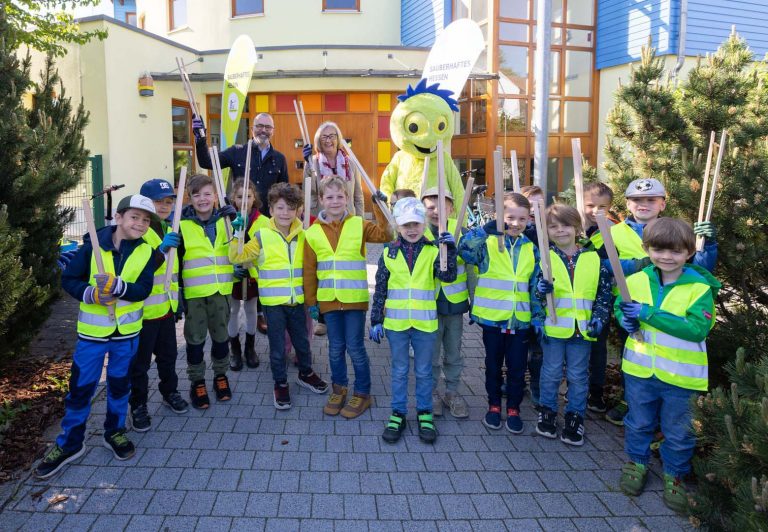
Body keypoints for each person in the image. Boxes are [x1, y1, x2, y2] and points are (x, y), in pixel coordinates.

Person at [36, 195, 158, 478]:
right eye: (135, 217)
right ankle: (70, 443)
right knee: (81, 388)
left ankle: (114, 432)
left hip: (126, 335)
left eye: (146, 220)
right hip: (92, 336)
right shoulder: (93, 245)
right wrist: (91, 294)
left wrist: (118, 286)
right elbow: (69, 280)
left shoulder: (147, 252)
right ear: (119, 217)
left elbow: (143, 289)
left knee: (120, 385)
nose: (140, 224)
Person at [587, 178, 718, 425]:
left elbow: (700, 269)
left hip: (670, 304)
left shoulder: (676, 231)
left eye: (651, 199)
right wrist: (637, 265)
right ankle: (630, 399)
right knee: (634, 353)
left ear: (662, 204)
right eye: (637, 200)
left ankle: (664, 405)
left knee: (669, 352)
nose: (643, 204)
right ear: (627, 203)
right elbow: (597, 264)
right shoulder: (610, 232)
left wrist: (708, 245)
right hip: (631, 303)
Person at [615, 217, 720, 513]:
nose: (666, 257)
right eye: (659, 250)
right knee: (638, 422)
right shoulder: (635, 280)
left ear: (689, 252)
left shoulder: (699, 287)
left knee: (679, 431)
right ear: (647, 249)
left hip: (681, 377)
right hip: (639, 371)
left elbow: (697, 329)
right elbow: (621, 308)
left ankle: (675, 475)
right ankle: (637, 463)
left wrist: (648, 313)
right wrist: (625, 320)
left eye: (675, 251)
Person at [229, 183, 328, 410]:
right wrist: (237, 234)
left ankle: (305, 373)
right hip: (273, 305)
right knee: (277, 347)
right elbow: (237, 257)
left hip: (298, 302)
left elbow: (314, 265)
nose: (285, 213)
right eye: (280, 208)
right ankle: (280, 382)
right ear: (271, 209)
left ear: (299, 210)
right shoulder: (262, 236)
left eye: (291, 208)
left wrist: (315, 299)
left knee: (302, 342)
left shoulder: (305, 235)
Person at [370, 197, 457, 444]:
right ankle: (398, 413)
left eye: (416, 224)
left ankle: (424, 413)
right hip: (396, 325)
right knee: (399, 371)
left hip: (425, 324)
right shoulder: (388, 252)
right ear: (397, 226)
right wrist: (376, 319)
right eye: (406, 224)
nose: (411, 229)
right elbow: (380, 288)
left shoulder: (433, 250)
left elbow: (448, 277)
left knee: (424, 371)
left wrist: (450, 251)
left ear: (424, 224)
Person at [304, 176, 392, 418]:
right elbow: (309, 270)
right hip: (329, 301)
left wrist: (379, 207)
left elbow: (386, 235)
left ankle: (362, 393)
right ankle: (339, 389)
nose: (335, 201)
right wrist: (311, 302)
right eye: (329, 197)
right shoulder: (312, 233)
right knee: (335, 348)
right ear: (321, 199)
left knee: (355, 347)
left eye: (340, 196)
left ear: (347, 199)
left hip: (354, 301)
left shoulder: (359, 224)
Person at [459, 192, 543, 434]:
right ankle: (494, 406)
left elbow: (534, 286)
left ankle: (514, 408)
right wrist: (484, 231)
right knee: (493, 365)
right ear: (498, 216)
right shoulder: (487, 244)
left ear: (529, 219)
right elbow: (464, 251)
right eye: (510, 218)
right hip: (492, 319)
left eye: (522, 219)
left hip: (520, 321)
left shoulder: (531, 248)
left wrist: (538, 316)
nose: (516, 223)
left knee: (517, 368)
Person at [534, 204, 612, 446]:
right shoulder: (544, 258)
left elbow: (603, 295)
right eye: (553, 226)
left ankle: (575, 416)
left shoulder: (593, 258)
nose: (560, 230)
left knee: (578, 375)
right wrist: (540, 291)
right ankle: (547, 410)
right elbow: (535, 295)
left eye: (566, 225)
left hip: (583, 330)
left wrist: (599, 318)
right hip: (554, 329)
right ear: (546, 231)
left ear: (577, 228)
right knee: (551, 372)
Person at [128, 180, 189, 433]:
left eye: (168, 201)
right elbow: (138, 271)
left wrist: (178, 302)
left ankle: (169, 392)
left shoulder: (168, 227)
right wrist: (161, 251)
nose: (164, 206)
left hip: (165, 309)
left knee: (168, 357)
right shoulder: (138, 232)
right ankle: (138, 405)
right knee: (140, 364)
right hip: (142, 313)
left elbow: (174, 273)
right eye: (158, 201)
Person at [177, 174, 238, 409]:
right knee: (195, 339)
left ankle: (221, 376)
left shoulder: (226, 221)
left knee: (221, 337)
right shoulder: (181, 225)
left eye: (207, 194)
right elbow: (176, 264)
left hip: (221, 291)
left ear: (215, 196)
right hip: (195, 295)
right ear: (190, 198)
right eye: (196, 195)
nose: (202, 199)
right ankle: (197, 381)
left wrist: (237, 222)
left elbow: (241, 248)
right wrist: (178, 295)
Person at [421, 187, 471, 418]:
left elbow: (471, 268)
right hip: (429, 304)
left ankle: (452, 391)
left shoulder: (461, 233)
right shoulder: (419, 233)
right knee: (431, 352)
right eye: (431, 207)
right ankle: (431, 392)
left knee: (453, 351)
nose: (436, 212)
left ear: (451, 209)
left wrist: (475, 301)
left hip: (454, 304)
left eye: (442, 207)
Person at [192, 112, 288, 216]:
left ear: (273, 131)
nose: (263, 130)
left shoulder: (279, 159)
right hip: (239, 218)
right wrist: (201, 140)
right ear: (252, 129)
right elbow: (207, 162)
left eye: (268, 127)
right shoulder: (237, 152)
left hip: (267, 219)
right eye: (259, 126)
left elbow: (284, 193)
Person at [581, 181, 616, 413]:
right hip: (574, 297)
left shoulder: (613, 231)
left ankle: (595, 392)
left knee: (597, 346)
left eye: (602, 207)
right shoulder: (572, 227)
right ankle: (575, 386)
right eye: (590, 205)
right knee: (574, 344)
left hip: (600, 298)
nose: (596, 211)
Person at [228, 178, 269, 370]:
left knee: (252, 310)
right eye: (239, 196)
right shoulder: (227, 220)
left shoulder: (264, 222)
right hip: (233, 274)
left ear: (255, 198)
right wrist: (232, 267)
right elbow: (223, 249)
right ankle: (235, 350)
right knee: (233, 310)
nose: (244, 201)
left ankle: (250, 349)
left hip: (252, 274)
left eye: (248, 196)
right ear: (233, 199)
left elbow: (265, 250)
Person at [302, 121, 364, 217]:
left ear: (338, 138)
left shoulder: (351, 163)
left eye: (332, 136)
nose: (328, 140)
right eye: (324, 137)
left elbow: (358, 196)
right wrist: (309, 166)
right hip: (322, 217)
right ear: (319, 141)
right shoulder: (312, 162)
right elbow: (308, 193)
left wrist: (360, 221)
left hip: (348, 218)